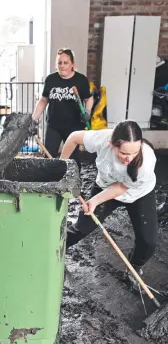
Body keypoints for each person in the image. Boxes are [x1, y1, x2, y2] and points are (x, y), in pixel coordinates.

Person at [60, 121, 158, 287]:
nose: (129, 158)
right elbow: (73, 138)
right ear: (112, 144)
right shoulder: (103, 138)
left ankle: (133, 268)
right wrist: (60, 166)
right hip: (105, 186)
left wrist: (95, 201)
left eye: (134, 153)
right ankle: (54, 252)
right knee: (82, 228)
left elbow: (120, 187)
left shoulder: (146, 162)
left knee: (148, 242)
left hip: (138, 194)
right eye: (124, 153)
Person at [32, 48, 94, 170]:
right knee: (48, 154)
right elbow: (44, 100)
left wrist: (87, 112)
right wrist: (33, 119)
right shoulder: (51, 80)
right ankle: (48, 181)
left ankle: (74, 183)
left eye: (66, 62)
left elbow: (89, 99)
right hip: (53, 125)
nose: (62, 65)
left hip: (74, 127)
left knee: (72, 157)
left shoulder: (81, 80)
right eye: (60, 62)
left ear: (72, 64)